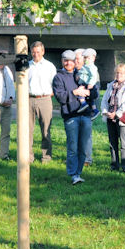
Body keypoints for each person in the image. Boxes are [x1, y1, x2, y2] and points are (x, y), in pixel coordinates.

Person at [52, 49, 95, 185]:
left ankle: (78, 172)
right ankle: (73, 174)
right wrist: (75, 92)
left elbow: (94, 93)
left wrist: (88, 92)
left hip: (85, 115)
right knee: (72, 147)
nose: (68, 63)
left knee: (83, 147)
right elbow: (60, 96)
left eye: (71, 60)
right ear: (62, 61)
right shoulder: (58, 77)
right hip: (71, 116)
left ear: (75, 61)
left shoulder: (82, 73)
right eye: (66, 60)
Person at [102, 63, 125, 171]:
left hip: (122, 119)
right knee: (112, 142)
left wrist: (116, 114)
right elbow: (104, 100)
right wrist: (106, 112)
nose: (118, 75)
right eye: (117, 73)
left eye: (121, 73)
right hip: (110, 117)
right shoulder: (111, 85)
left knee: (124, 143)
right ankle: (114, 165)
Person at [27, 41, 56, 162]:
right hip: (28, 99)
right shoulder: (27, 66)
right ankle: (28, 156)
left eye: (38, 52)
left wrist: (49, 94)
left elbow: (55, 84)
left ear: (43, 52)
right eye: (33, 52)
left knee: (45, 130)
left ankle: (46, 157)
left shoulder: (50, 66)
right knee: (27, 130)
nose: (35, 54)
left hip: (44, 99)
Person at [0, 56, 16, 160]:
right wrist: (1, 101)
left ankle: (4, 155)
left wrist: (10, 99)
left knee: (6, 131)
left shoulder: (7, 70)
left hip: (7, 106)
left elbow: (11, 86)